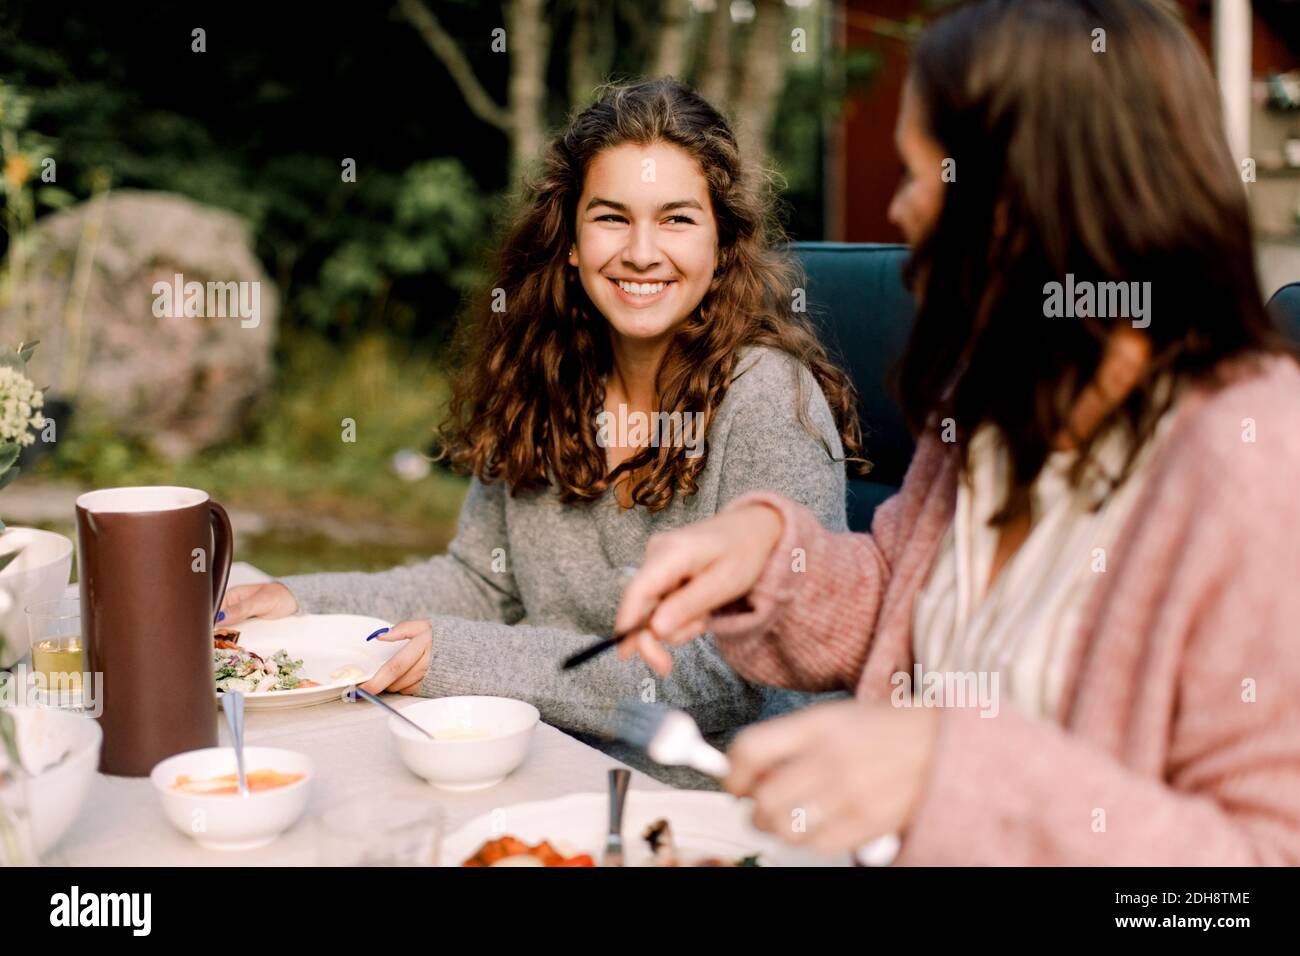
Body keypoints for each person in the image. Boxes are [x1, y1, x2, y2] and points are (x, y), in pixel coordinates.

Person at [614, 0, 1300, 862]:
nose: (899, 212)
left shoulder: (1259, 461)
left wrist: (951, 768)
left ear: (1021, 199)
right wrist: (765, 554)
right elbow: (906, 607)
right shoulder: (990, 397)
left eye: (914, 174)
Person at [221, 78, 863, 773]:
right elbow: (479, 584)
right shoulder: (546, 378)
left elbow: (731, 677)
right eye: (612, 217)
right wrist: (302, 602)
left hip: (717, 793)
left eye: (677, 219)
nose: (643, 252)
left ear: (722, 242)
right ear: (571, 242)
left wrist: (467, 658)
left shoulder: (768, 399)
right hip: (555, 755)